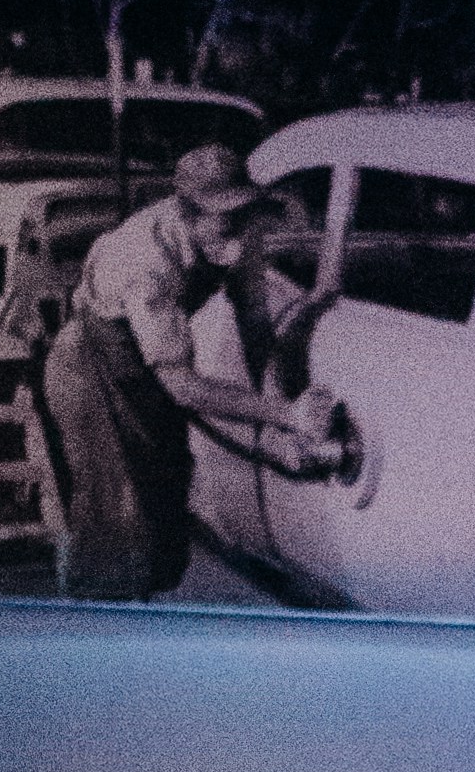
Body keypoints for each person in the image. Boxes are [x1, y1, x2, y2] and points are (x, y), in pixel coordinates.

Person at [39, 138, 349, 600]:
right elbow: (183, 388)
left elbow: (255, 328)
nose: (241, 231)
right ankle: (97, 638)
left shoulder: (233, 238)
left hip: (142, 368)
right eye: (227, 218)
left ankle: (138, 617)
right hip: (90, 369)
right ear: (188, 213)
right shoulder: (147, 262)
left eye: (245, 214)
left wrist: (288, 405)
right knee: (119, 514)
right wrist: (286, 416)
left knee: (166, 498)